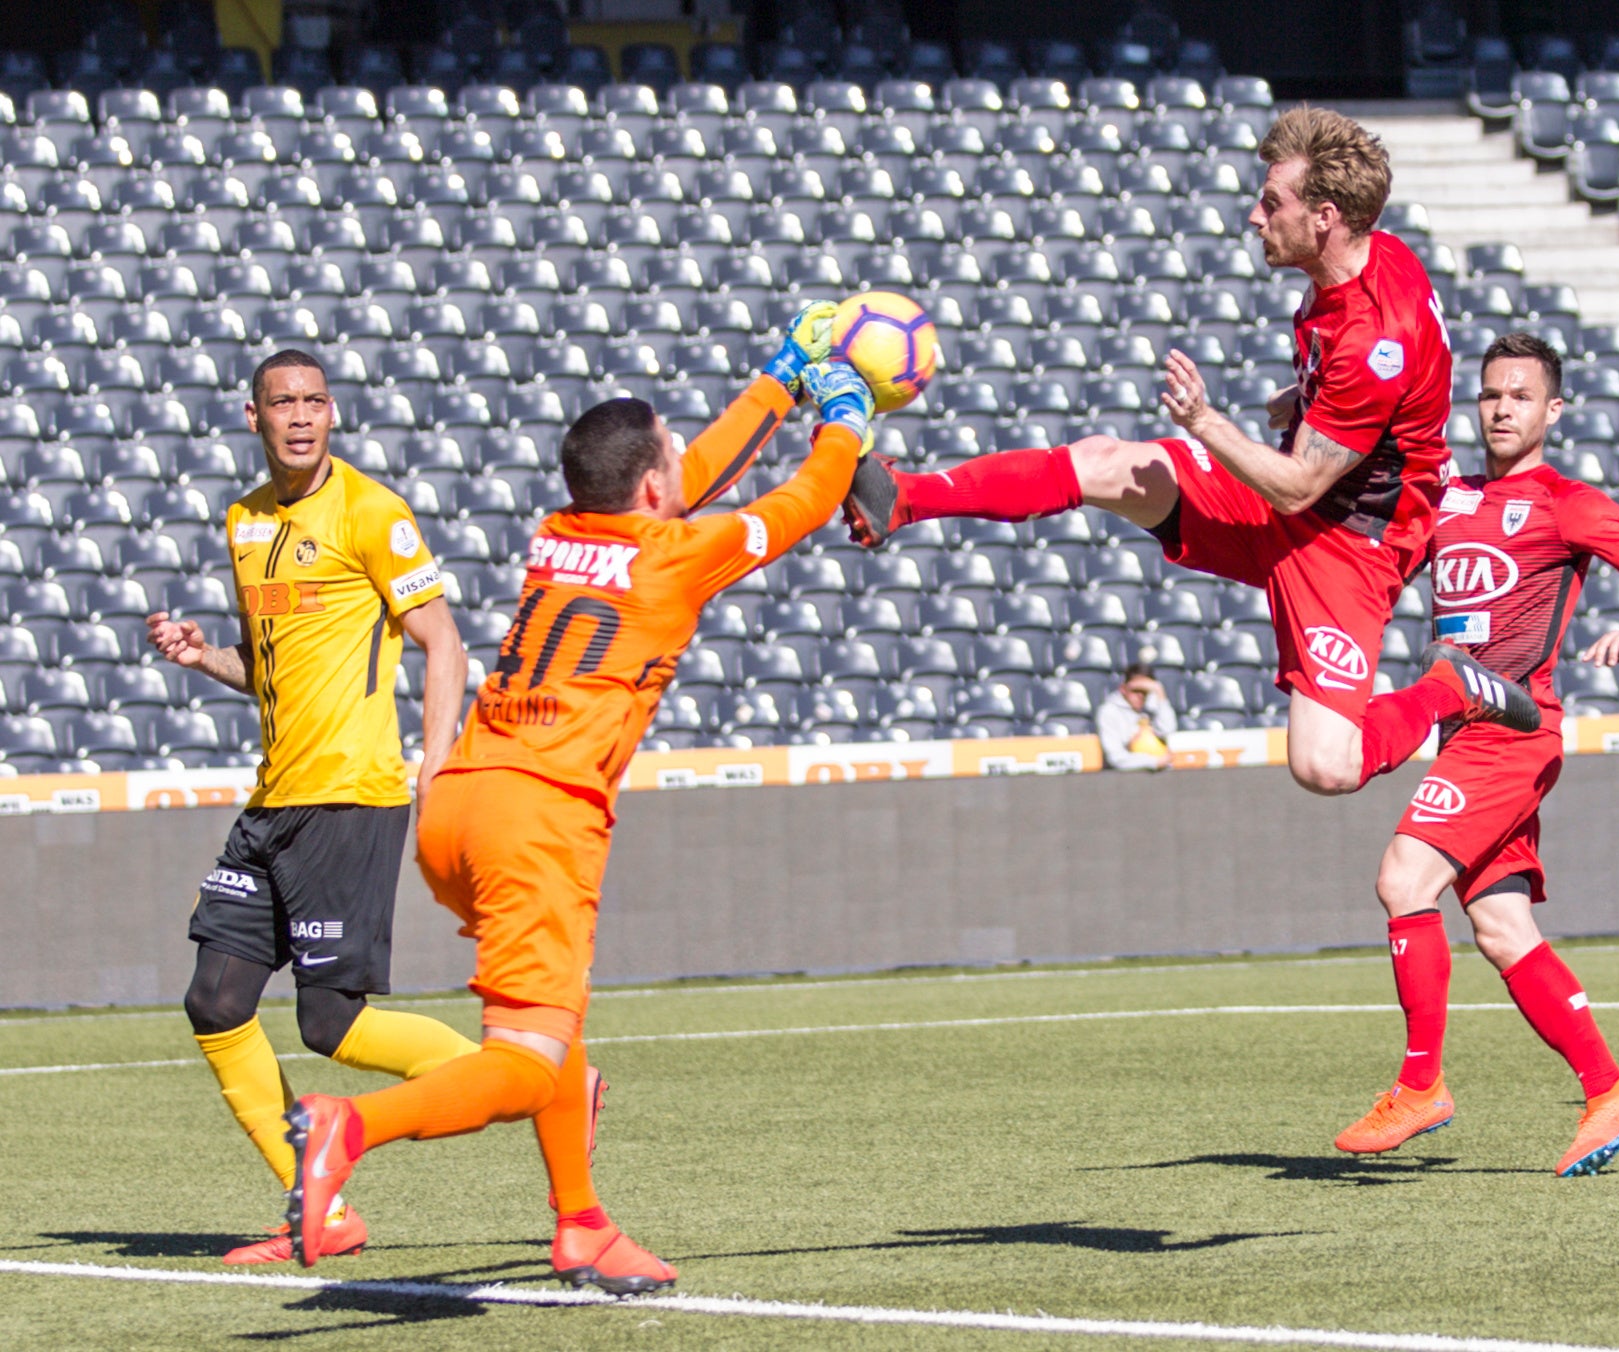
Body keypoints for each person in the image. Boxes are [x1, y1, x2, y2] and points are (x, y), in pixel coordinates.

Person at [283, 311, 871, 1293]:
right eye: (673, 458)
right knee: (525, 1063)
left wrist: (779, 380)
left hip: (458, 806)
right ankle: (352, 1125)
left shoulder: (560, 534)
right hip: (539, 823)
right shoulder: (674, 556)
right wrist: (846, 417)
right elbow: (807, 499)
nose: (686, 465)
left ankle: (582, 1223)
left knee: (559, 1017)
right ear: (651, 488)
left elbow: (691, 477)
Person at [842, 105, 1538, 795]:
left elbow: (1299, 484)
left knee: (1326, 766)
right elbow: (1375, 414)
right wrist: (1308, 405)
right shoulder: (1367, 262)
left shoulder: (1373, 341)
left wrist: (1206, 420)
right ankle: (903, 497)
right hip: (1307, 491)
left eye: (1273, 202)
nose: (1254, 217)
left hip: (1352, 543)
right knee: (1107, 462)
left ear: (1325, 216)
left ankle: (1450, 687)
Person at [148, 349, 482, 1263]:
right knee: (215, 999)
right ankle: (321, 1214)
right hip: (272, 798)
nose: (299, 416)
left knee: (329, 1024)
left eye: (314, 401)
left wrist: (436, 763)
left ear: (333, 415)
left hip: (348, 797)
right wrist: (203, 656)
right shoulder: (245, 522)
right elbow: (271, 673)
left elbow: (442, 643)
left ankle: (529, 1079)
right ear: (251, 417)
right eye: (281, 403)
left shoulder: (373, 512)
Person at [1334, 333, 1619, 1175]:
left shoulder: (1567, 501)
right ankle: (1609, 1090)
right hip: (1465, 727)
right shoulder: (1448, 497)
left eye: (1519, 396)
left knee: (1402, 880)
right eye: (1491, 394)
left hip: (1512, 730)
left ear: (1550, 410)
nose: (1500, 408)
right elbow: (1375, 550)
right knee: (1499, 925)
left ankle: (1422, 1086)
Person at [1097, 662, 1178, 770]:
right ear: (1123, 689)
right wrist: (1154, 762)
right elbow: (1115, 758)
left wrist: (1159, 691)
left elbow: (1168, 730)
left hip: (1157, 775)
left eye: (1145, 691)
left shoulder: (1153, 704)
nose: (1141, 696)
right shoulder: (1109, 712)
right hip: (1123, 779)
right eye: (1136, 691)